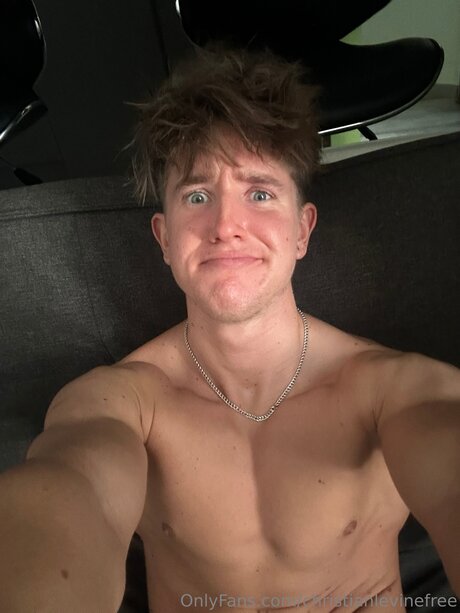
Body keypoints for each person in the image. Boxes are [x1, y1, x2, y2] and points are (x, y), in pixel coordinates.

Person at [0, 47, 459, 613]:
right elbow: (66, 497)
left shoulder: (393, 390)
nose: (226, 226)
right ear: (164, 238)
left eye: (259, 193)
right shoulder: (119, 404)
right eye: (198, 196)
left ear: (302, 230)